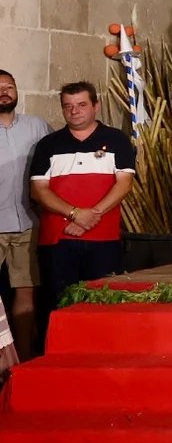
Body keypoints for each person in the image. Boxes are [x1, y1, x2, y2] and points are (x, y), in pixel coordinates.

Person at [29, 83, 136, 311]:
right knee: (58, 305)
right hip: (57, 239)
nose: (74, 111)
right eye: (67, 106)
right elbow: (39, 190)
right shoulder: (48, 145)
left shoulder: (117, 140)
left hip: (104, 239)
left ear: (95, 106)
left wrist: (90, 217)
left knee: (102, 305)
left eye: (81, 105)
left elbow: (124, 184)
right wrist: (76, 214)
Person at [0, 70, 48, 359]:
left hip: (28, 223)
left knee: (26, 291)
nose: (4, 92)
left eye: (9, 86)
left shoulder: (38, 126)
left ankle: (25, 358)